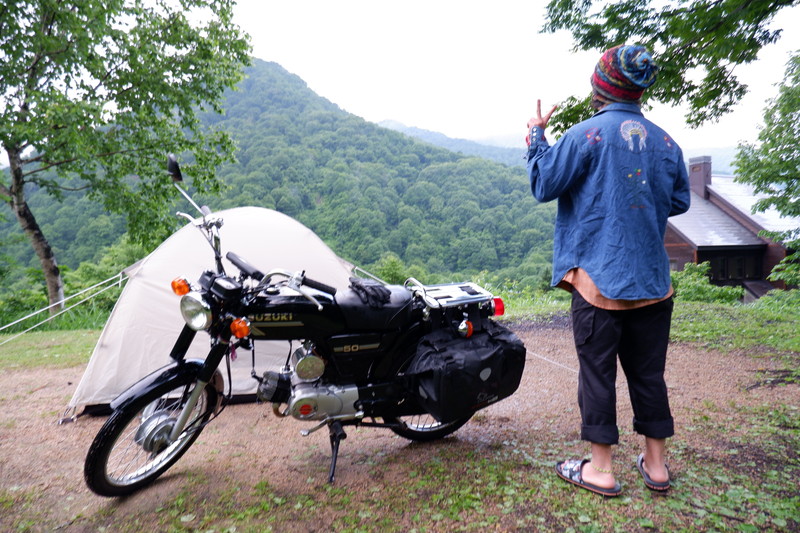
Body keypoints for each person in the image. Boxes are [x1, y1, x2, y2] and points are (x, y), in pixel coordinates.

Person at [525, 44, 691, 497]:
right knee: (648, 373)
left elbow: (543, 184)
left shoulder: (586, 135)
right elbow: (678, 201)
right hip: (654, 283)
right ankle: (656, 467)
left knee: (597, 373)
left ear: (601, 85)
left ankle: (601, 470)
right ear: (639, 89)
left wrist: (538, 137)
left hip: (599, 280)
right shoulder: (666, 142)